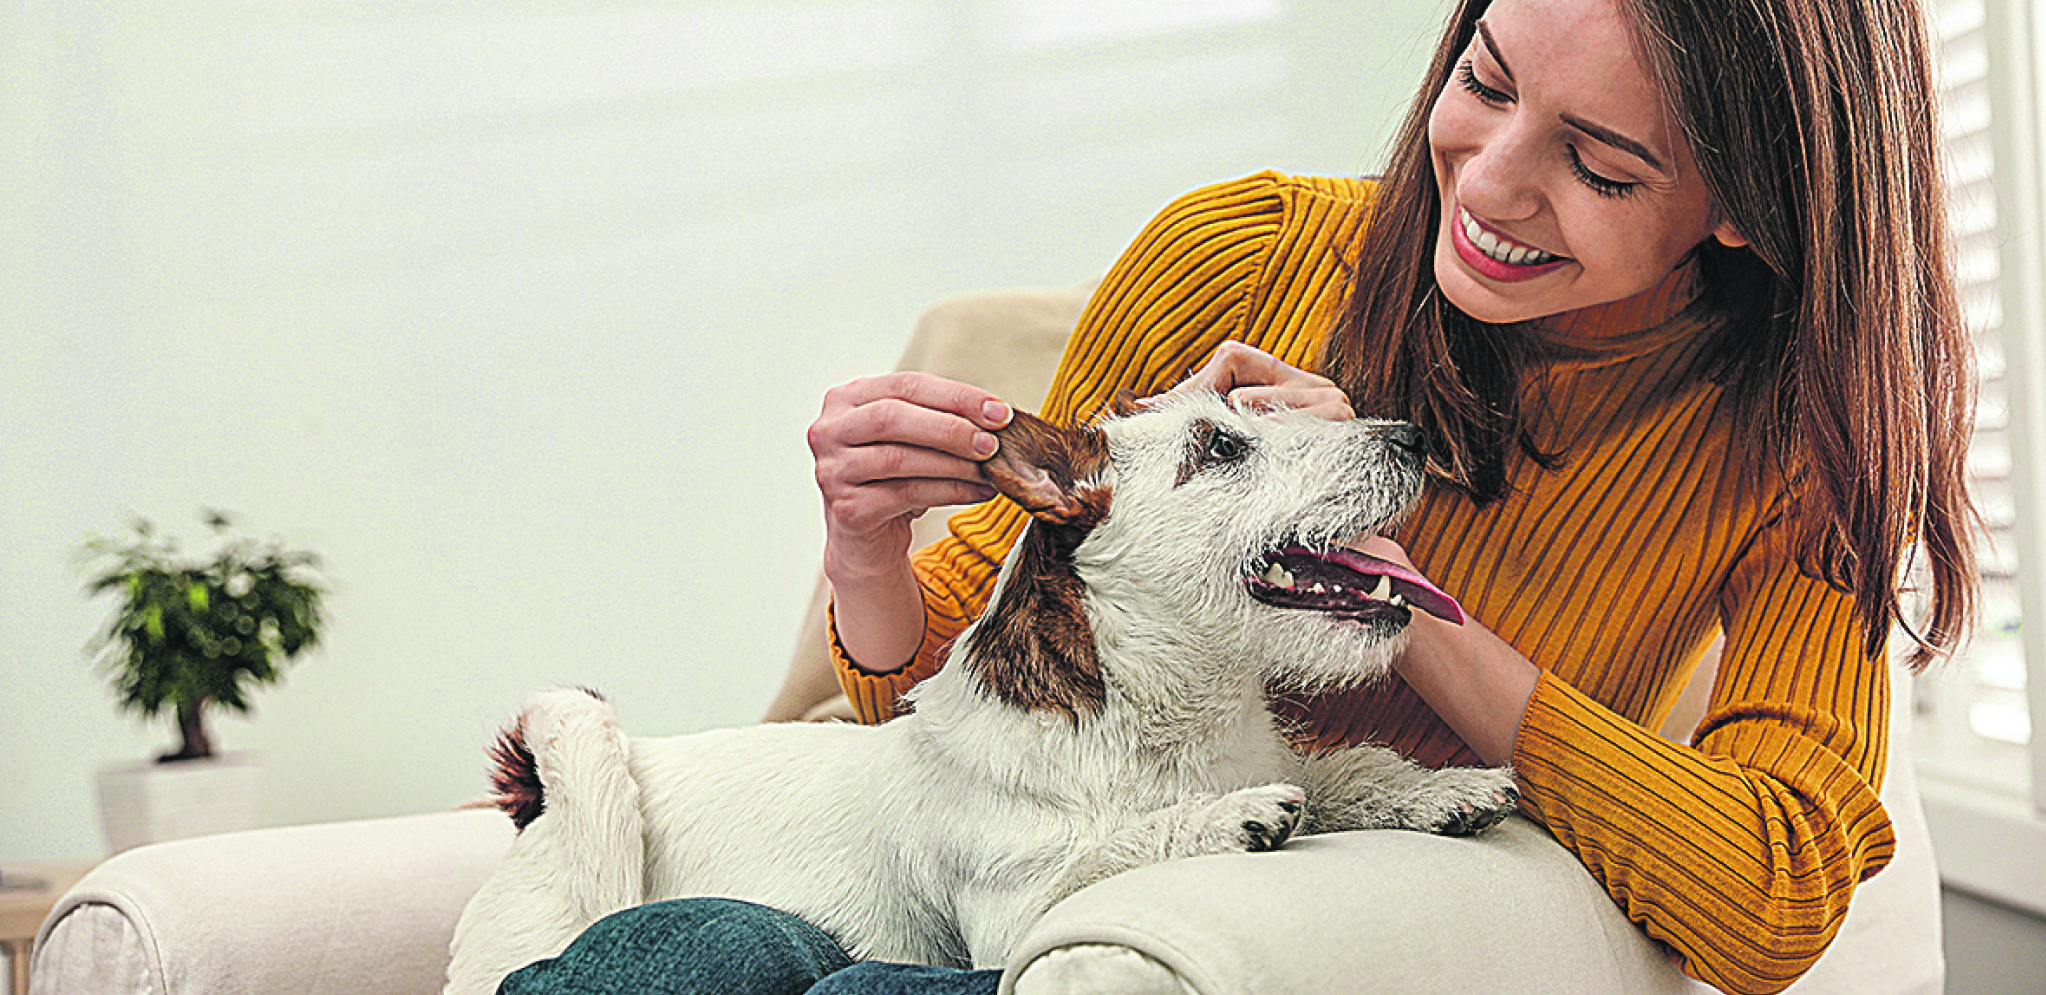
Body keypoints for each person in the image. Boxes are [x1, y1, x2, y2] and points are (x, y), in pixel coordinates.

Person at [501, 0, 1976, 993]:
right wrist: (868, 551)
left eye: (1595, 166)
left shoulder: (1795, 463)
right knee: (692, 954)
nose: (1488, 183)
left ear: (1742, 205)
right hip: (1018, 885)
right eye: (1483, 81)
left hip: (1285, 932)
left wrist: (1378, 581)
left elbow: (1766, 896)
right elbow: (941, 699)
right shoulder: (1244, 252)